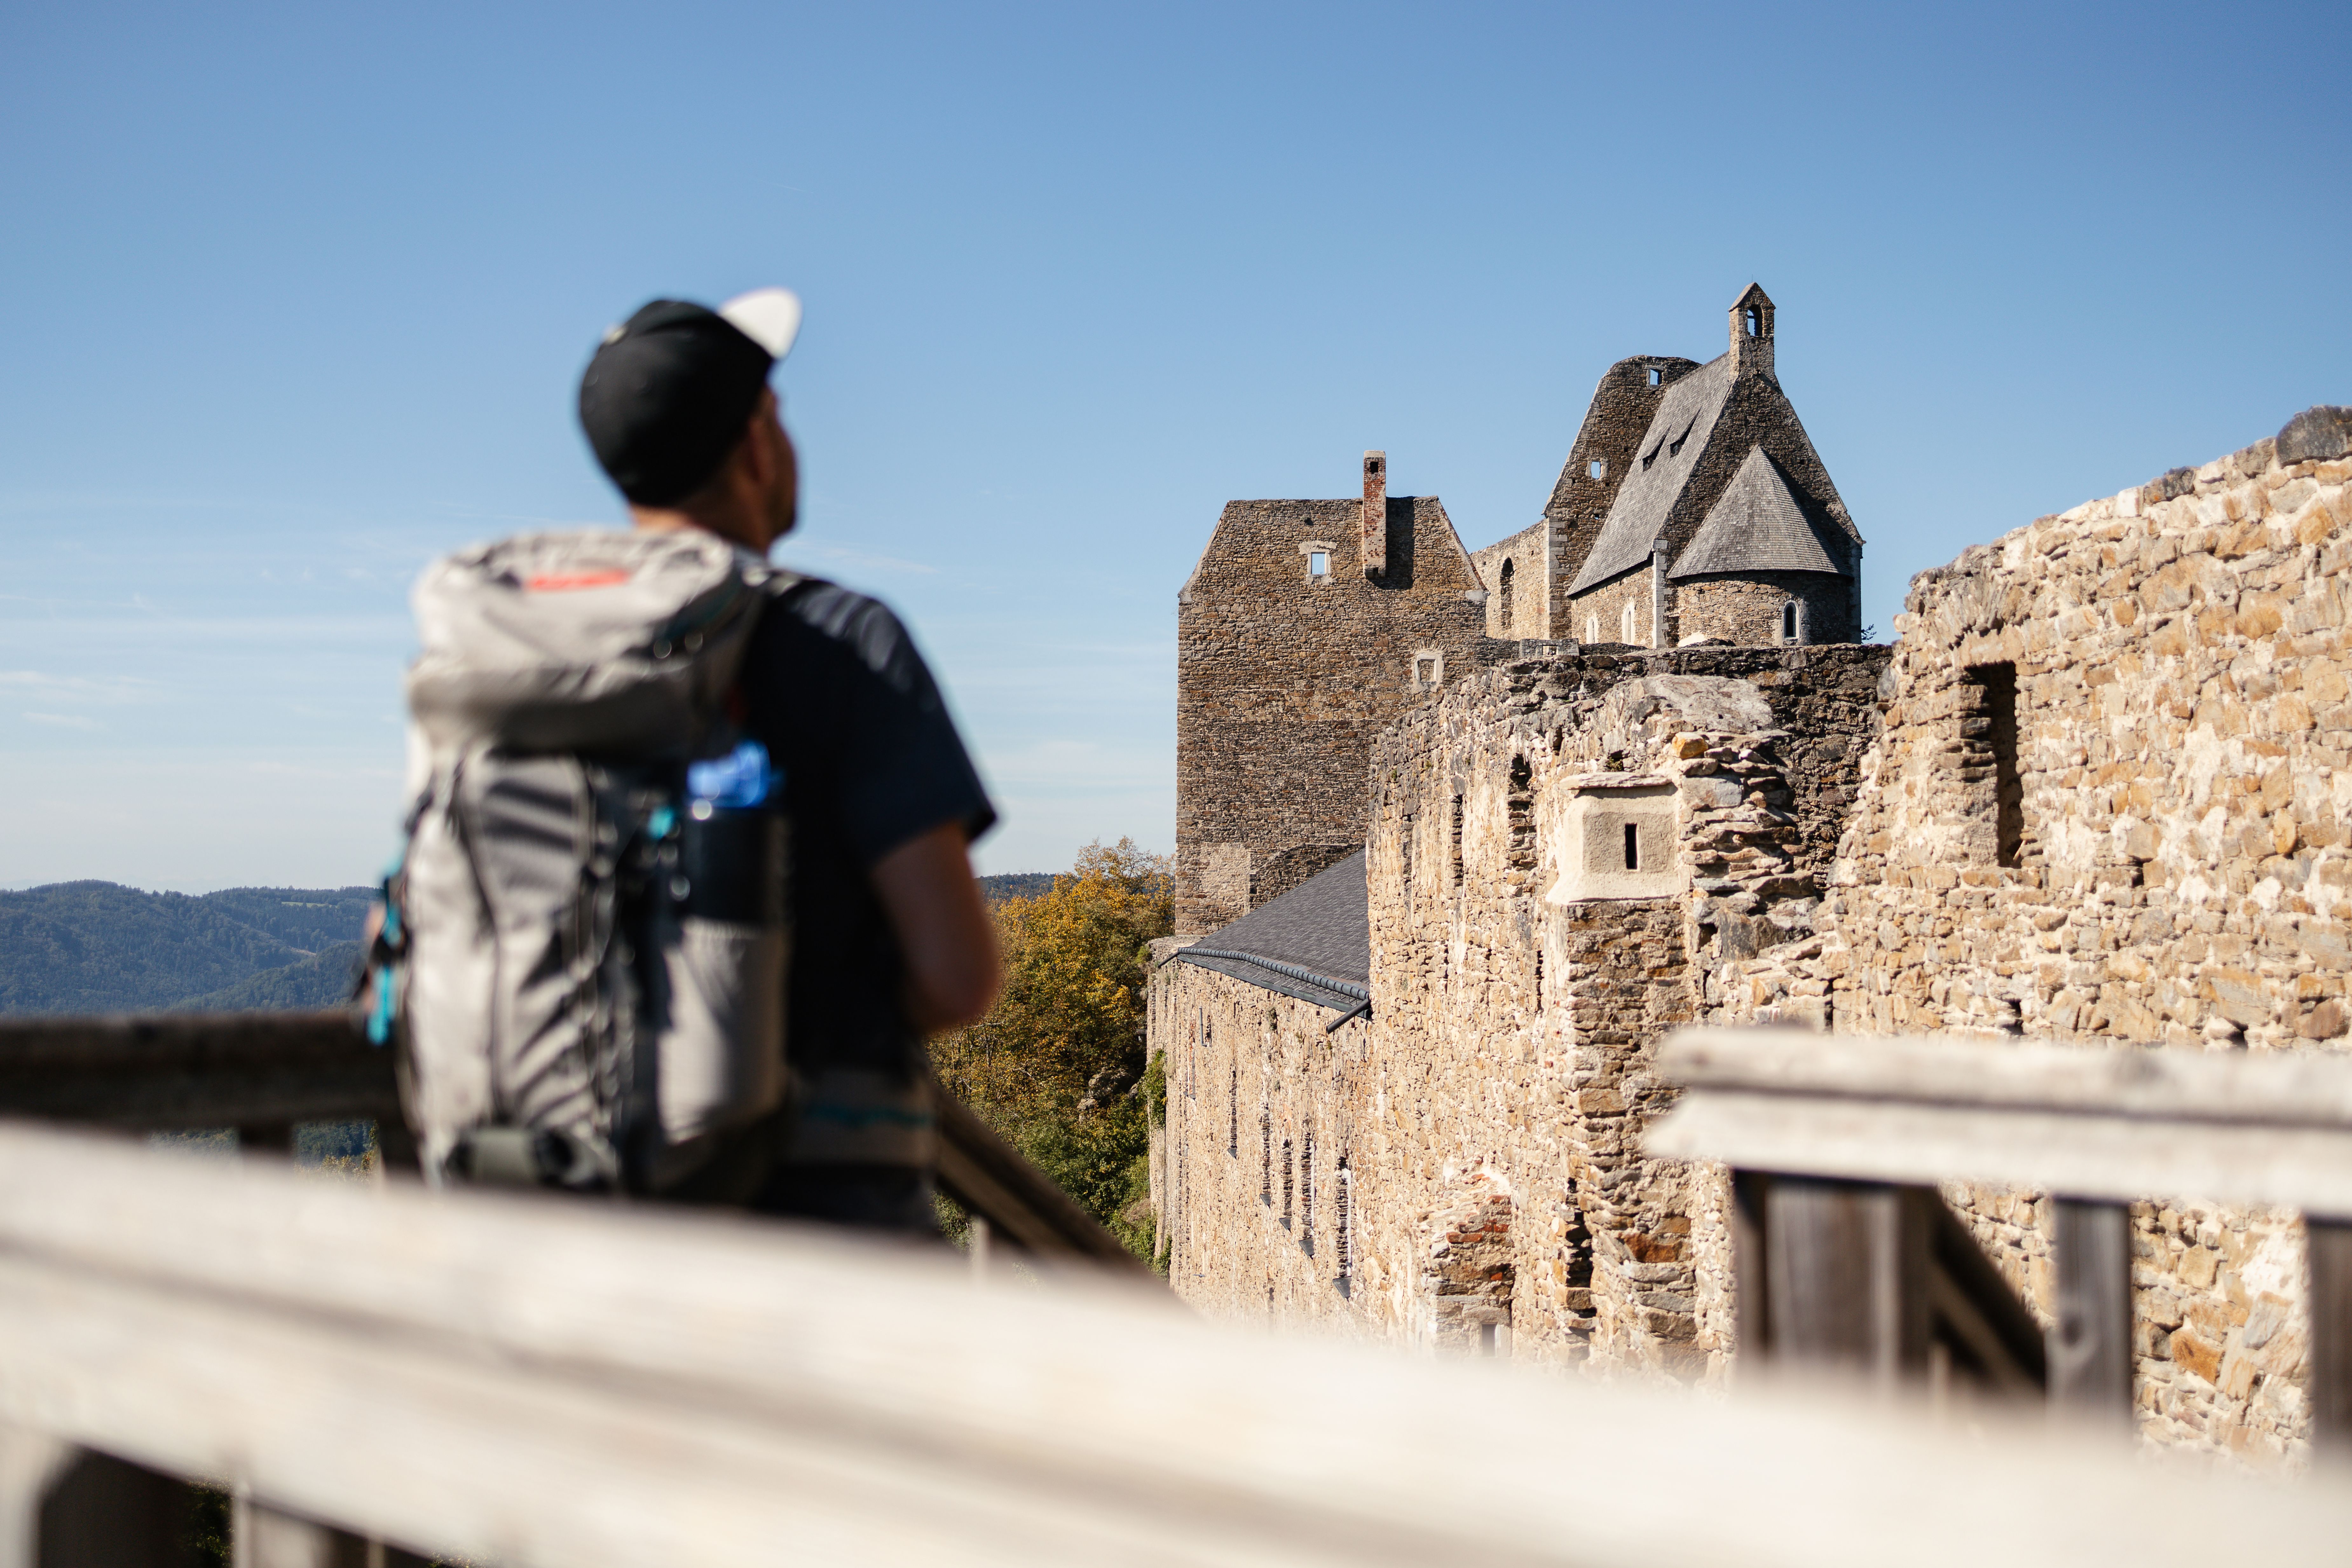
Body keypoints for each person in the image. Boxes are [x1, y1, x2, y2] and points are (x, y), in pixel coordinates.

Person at [574, 290, 1001, 1232]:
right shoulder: (843, 641)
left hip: (568, 1206)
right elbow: (957, 978)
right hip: (807, 1221)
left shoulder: (531, 652)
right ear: (759, 442)